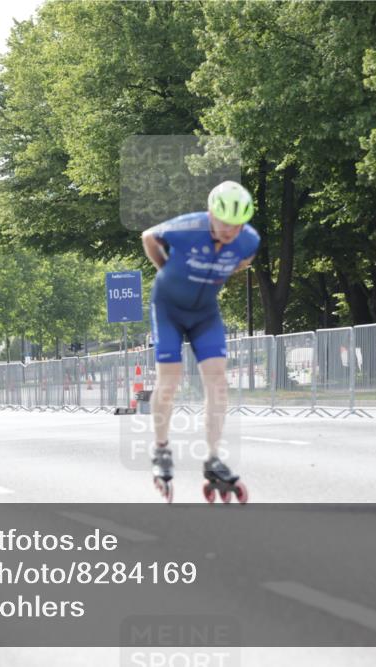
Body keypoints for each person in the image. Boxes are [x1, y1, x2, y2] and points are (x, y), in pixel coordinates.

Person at [140, 180, 260, 503]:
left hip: (205, 313)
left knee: (218, 381)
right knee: (170, 380)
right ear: (211, 214)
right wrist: (166, 268)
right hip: (167, 309)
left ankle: (213, 456)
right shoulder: (188, 227)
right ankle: (161, 449)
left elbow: (243, 262)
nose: (229, 231)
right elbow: (148, 237)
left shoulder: (248, 241)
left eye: (237, 225)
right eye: (223, 223)